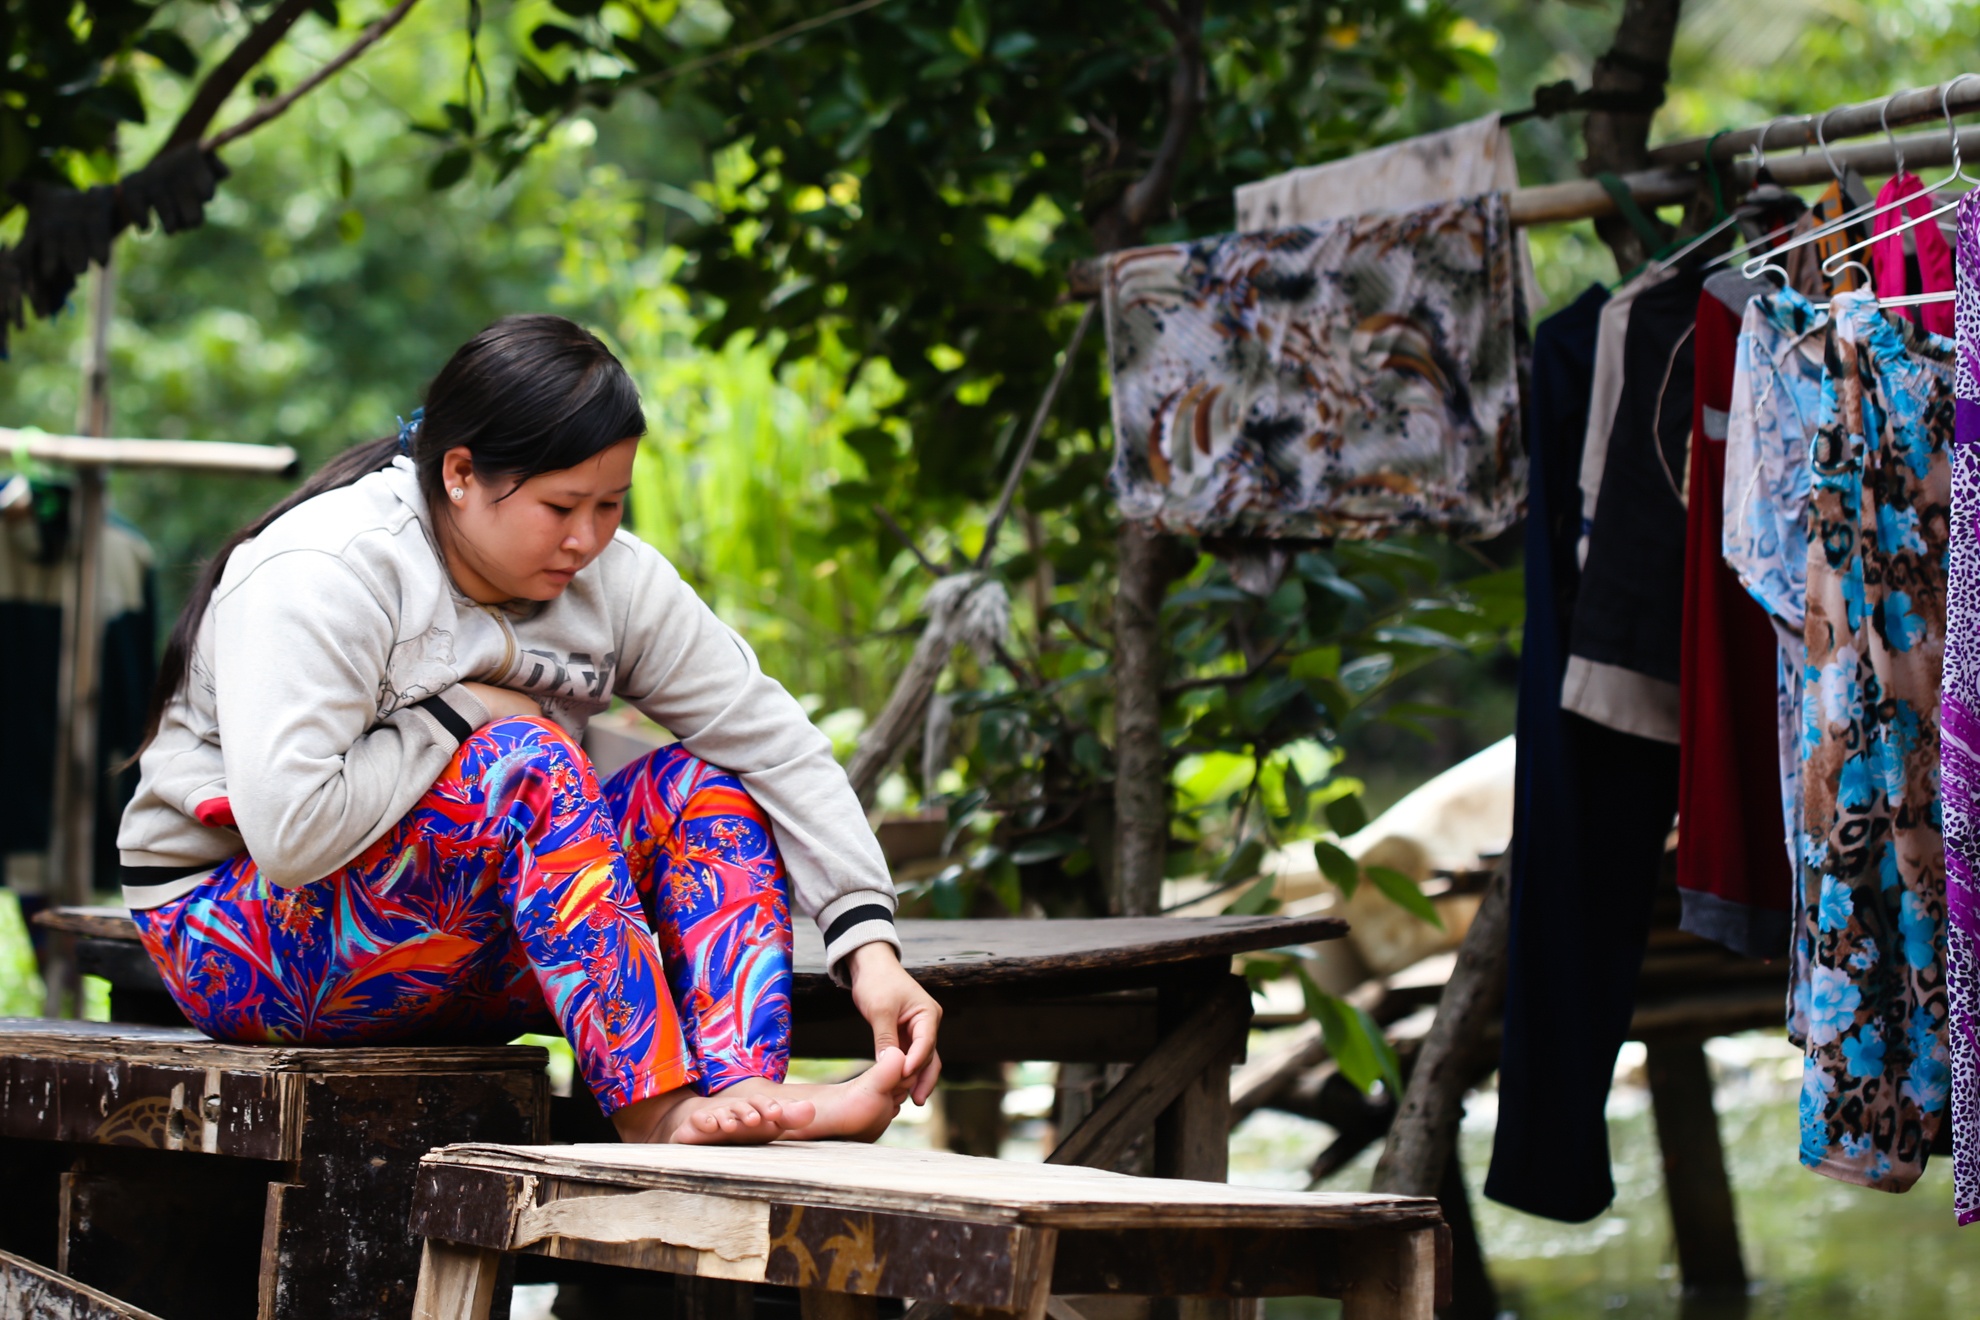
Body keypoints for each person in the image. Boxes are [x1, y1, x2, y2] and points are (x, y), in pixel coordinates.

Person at [116, 314, 941, 1144]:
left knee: (703, 789)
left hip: (463, 944)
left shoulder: (616, 582)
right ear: (461, 474)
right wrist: (464, 710)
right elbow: (291, 838)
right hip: (246, 943)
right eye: (559, 506)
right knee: (527, 762)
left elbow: (776, 746)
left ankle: (747, 1092)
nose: (587, 538)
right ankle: (658, 1111)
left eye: (610, 504)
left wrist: (871, 950)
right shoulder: (329, 570)